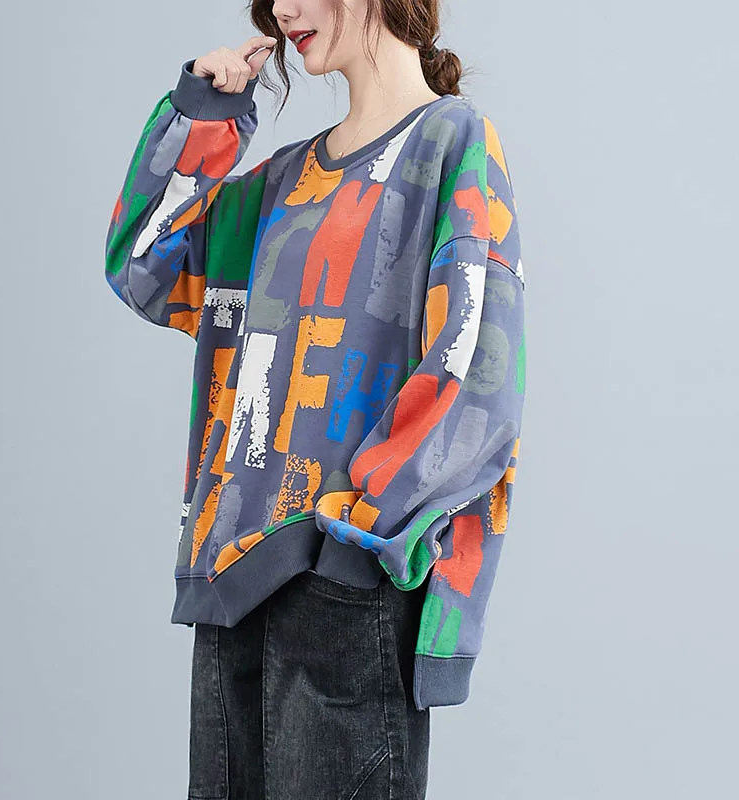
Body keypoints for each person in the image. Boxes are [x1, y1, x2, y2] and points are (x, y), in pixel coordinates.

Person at [104, 1, 525, 797]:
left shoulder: (450, 141)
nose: (282, 10)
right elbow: (145, 268)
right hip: (230, 583)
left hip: (344, 584)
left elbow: (475, 371)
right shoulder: (281, 181)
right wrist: (209, 113)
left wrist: (356, 542)